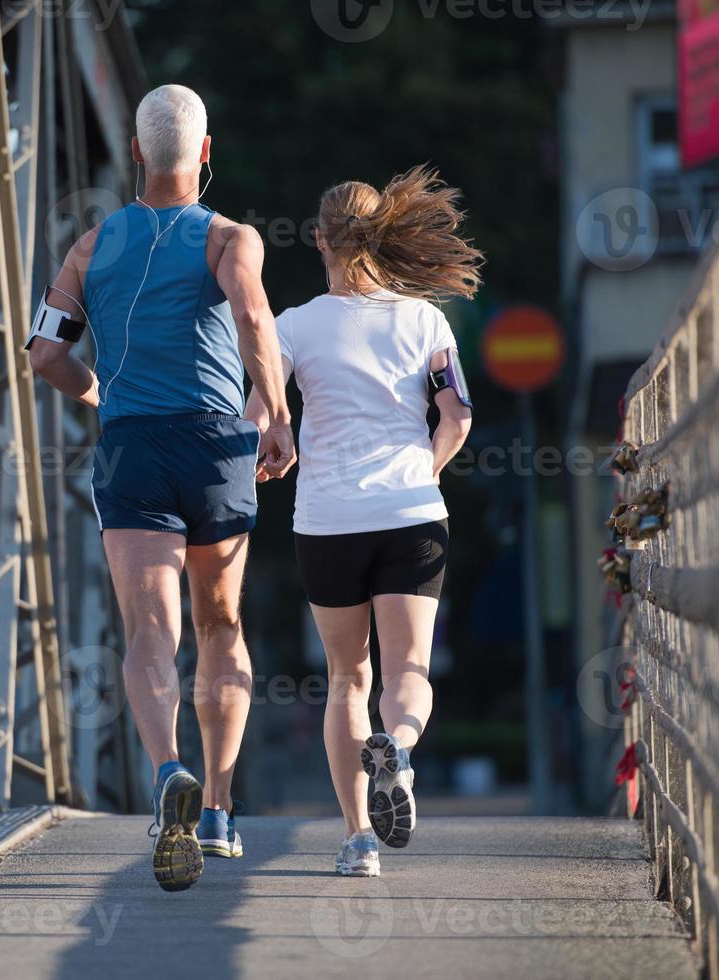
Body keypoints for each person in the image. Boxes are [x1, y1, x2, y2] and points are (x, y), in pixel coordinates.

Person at [27, 84, 295, 891]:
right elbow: (252, 322)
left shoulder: (89, 246)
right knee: (220, 623)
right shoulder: (229, 238)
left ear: (137, 153)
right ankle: (215, 808)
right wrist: (277, 416)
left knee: (150, 632)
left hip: (132, 447)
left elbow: (43, 355)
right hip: (215, 446)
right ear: (205, 153)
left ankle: (167, 771)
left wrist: (101, 395)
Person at [244, 167, 481, 878]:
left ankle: (357, 842)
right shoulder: (425, 319)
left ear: (318, 239)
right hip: (410, 513)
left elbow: (258, 418)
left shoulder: (291, 327)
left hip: (326, 521)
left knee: (348, 677)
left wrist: (272, 444)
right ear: (382, 235)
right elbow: (458, 415)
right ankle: (398, 750)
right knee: (407, 670)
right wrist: (424, 472)